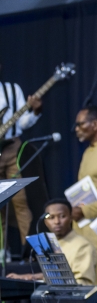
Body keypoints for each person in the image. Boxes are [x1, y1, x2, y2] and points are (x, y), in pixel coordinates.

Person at [0, 65, 43, 245]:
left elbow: (23, 123)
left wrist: (35, 110)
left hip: (12, 148)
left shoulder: (11, 89)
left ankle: (30, 254)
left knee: (20, 200)